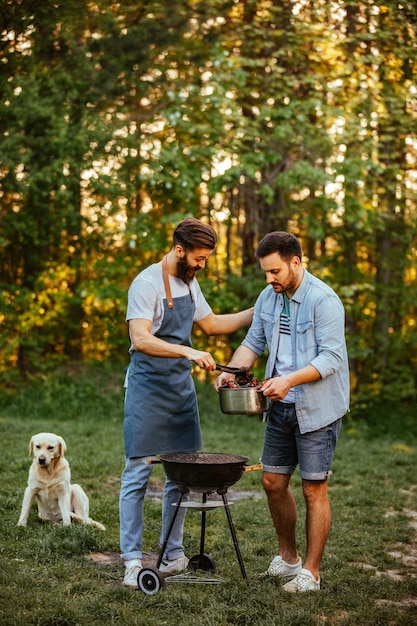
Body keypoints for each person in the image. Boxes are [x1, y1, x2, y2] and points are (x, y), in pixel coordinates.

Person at [120, 217, 254, 588]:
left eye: (205, 259)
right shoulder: (146, 283)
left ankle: (172, 554)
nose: (201, 265)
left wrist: (260, 309)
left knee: (180, 475)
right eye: (198, 258)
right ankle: (132, 560)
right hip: (147, 389)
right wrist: (187, 351)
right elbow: (141, 338)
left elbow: (212, 324)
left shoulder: (188, 284)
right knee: (138, 473)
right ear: (179, 250)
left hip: (180, 392)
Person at [215, 231, 349, 593]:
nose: (269, 279)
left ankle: (311, 572)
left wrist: (288, 380)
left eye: (275, 271)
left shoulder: (324, 300)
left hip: (317, 407)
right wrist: (230, 372)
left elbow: (332, 358)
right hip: (279, 406)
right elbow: (253, 342)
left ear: (295, 262)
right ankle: (288, 559)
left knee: (313, 488)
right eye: (265, 272)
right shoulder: (268, 297)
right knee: (273, 482)